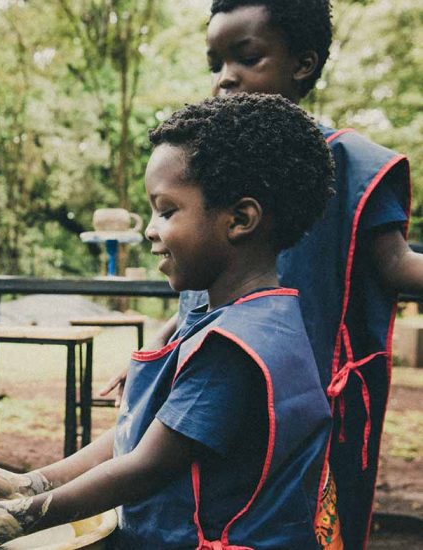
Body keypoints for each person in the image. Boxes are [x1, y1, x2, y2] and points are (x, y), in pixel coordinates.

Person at [0, 94, 335, 549]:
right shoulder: (266, 316)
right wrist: (35, 483)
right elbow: (140, 438)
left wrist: (18, 517)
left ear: (240, 219)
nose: (150, 229)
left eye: (166, 210)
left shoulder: (232, 348)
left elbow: (147, 464)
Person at [99, 2, 418, 546]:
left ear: (302, 62)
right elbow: (205, 296)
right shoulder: (208, 160)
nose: (226, 78)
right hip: (222, 366)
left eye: (246, 58)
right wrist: (167, 342)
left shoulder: (353, 164)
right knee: (198, 493)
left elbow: (396, 265)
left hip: (305, 383)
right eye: (216, 63)